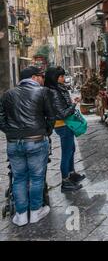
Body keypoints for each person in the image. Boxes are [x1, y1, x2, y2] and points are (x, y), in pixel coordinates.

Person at [0, 66, 54, 227]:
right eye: (41, 76)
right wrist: (46, 132)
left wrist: (11, 133)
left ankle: (21, 215)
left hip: (14, 143)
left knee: (19, 178)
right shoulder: (43, 92)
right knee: (37, 178)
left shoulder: (7, 94)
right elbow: (51, 117)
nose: (43, 79)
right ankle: (36, 211)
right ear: (34, 77)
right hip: (36, 139)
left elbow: (1, 119)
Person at [45, 66, 86, 193]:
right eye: (61, 76)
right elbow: (62, 113)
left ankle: (71, 173)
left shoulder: (59, 88)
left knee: (71, 149)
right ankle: (65, 181)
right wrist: (74, 104)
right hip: (62, 124)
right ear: (54, 78)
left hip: (67, 124)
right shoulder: (54, 91)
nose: (63, 78)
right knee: (67, 152)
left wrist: (73, 103)